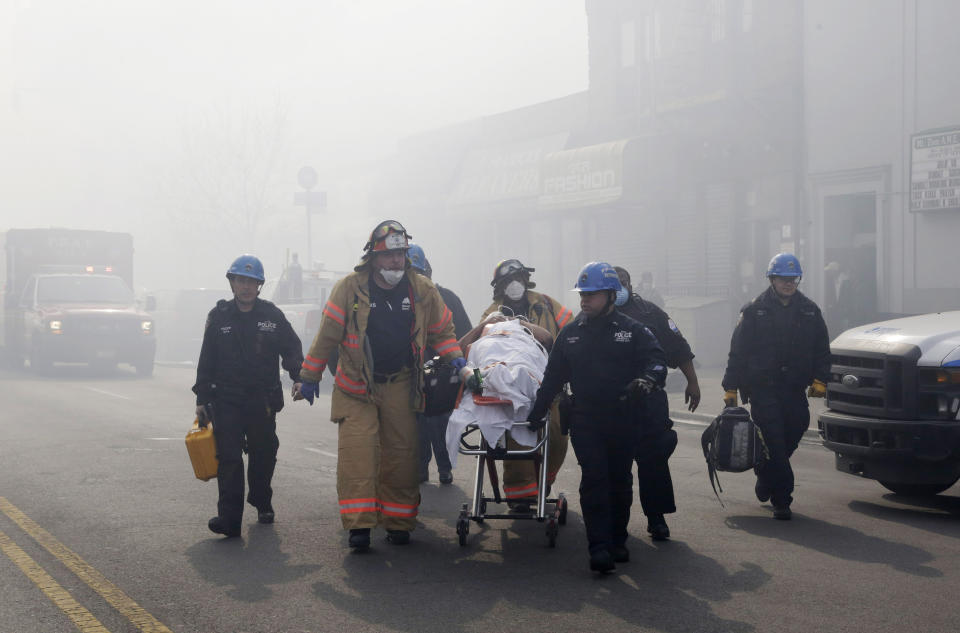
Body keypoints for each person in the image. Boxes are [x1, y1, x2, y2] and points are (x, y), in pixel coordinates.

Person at [295, 220, 465, 550]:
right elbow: (327, 335)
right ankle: (359, 527)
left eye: (400, 254)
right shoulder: (349, 288)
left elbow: (442, 331)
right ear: (373, 257)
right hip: (355, 387)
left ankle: (399, 522)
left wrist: (455, 356)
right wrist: (309, 377)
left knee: (403, 456)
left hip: (401, 384)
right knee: (358, 455)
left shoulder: (421, 289)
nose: (396, 262)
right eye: (389, 256)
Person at [527, 262, 667, 573]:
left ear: (610, 294)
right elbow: (551, 378)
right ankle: (599, 547)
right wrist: (536, 413)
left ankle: (618, 539)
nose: (584, 300)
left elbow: (657, 362)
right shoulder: (571, 334)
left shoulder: (633, 331)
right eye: (582, 294)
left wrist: (647, 380)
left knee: (619, 481)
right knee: (594, 481)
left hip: (624, 418)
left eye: (591, 295)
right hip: (586, 418)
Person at [193, 255, 304, 538]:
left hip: (262, 401)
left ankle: (261, 500)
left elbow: (291, 349)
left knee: (263, 454)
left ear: (259, 286)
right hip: (226, 401)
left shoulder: (271, 316)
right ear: (232, 283)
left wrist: (300, 377)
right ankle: (229, 520)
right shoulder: (218, 318)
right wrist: (202, 398)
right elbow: (207, 360)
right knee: (229, 458)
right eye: (241, 280)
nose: (245, 287)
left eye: (251, 282)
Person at [722, 253, 830, 520]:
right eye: (783, 279)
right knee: (774, 441)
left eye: (793, 279)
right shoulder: (754, 310)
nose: (789, 283)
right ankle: (782, 500)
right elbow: (738, 351)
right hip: (763, 389)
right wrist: (731, 387)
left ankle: (766, 473)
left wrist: (821, 378)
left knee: (795, 429)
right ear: (772, 279)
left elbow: (821, 349)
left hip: (794, 389)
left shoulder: (810, 310)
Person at [613, 265, 700, 541]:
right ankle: (616, 524)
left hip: (649, 401)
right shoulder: (592, 317)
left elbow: (679, 348)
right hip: (612, 404)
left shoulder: (651, 314)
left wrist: (693, 382)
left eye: (623, 283)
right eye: (613, 285)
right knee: (615, 466)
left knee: (654, 460)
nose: (619, 289)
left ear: (630, 284)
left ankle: (657, 517)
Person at [480, 258, 574, 511]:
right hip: (512, 390)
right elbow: (481, 346)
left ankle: (545, 478)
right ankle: (520, 496)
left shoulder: (546, 305)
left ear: (525, 279)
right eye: (508, 281)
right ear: (499, 287)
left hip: (549, 385)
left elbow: (571, 331)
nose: (514, 284)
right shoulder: (492, 314)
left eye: (518, 278)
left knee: (557, 436)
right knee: (518, 441)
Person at [406, 242, 472, 484]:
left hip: (442, 376)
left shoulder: (446, 298)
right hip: (410, 374)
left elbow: (463, 334)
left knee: (439, 423)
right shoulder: (395, 300)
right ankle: (421, 469)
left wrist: (459, 365)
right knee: (417, 426)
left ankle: (443, 469)